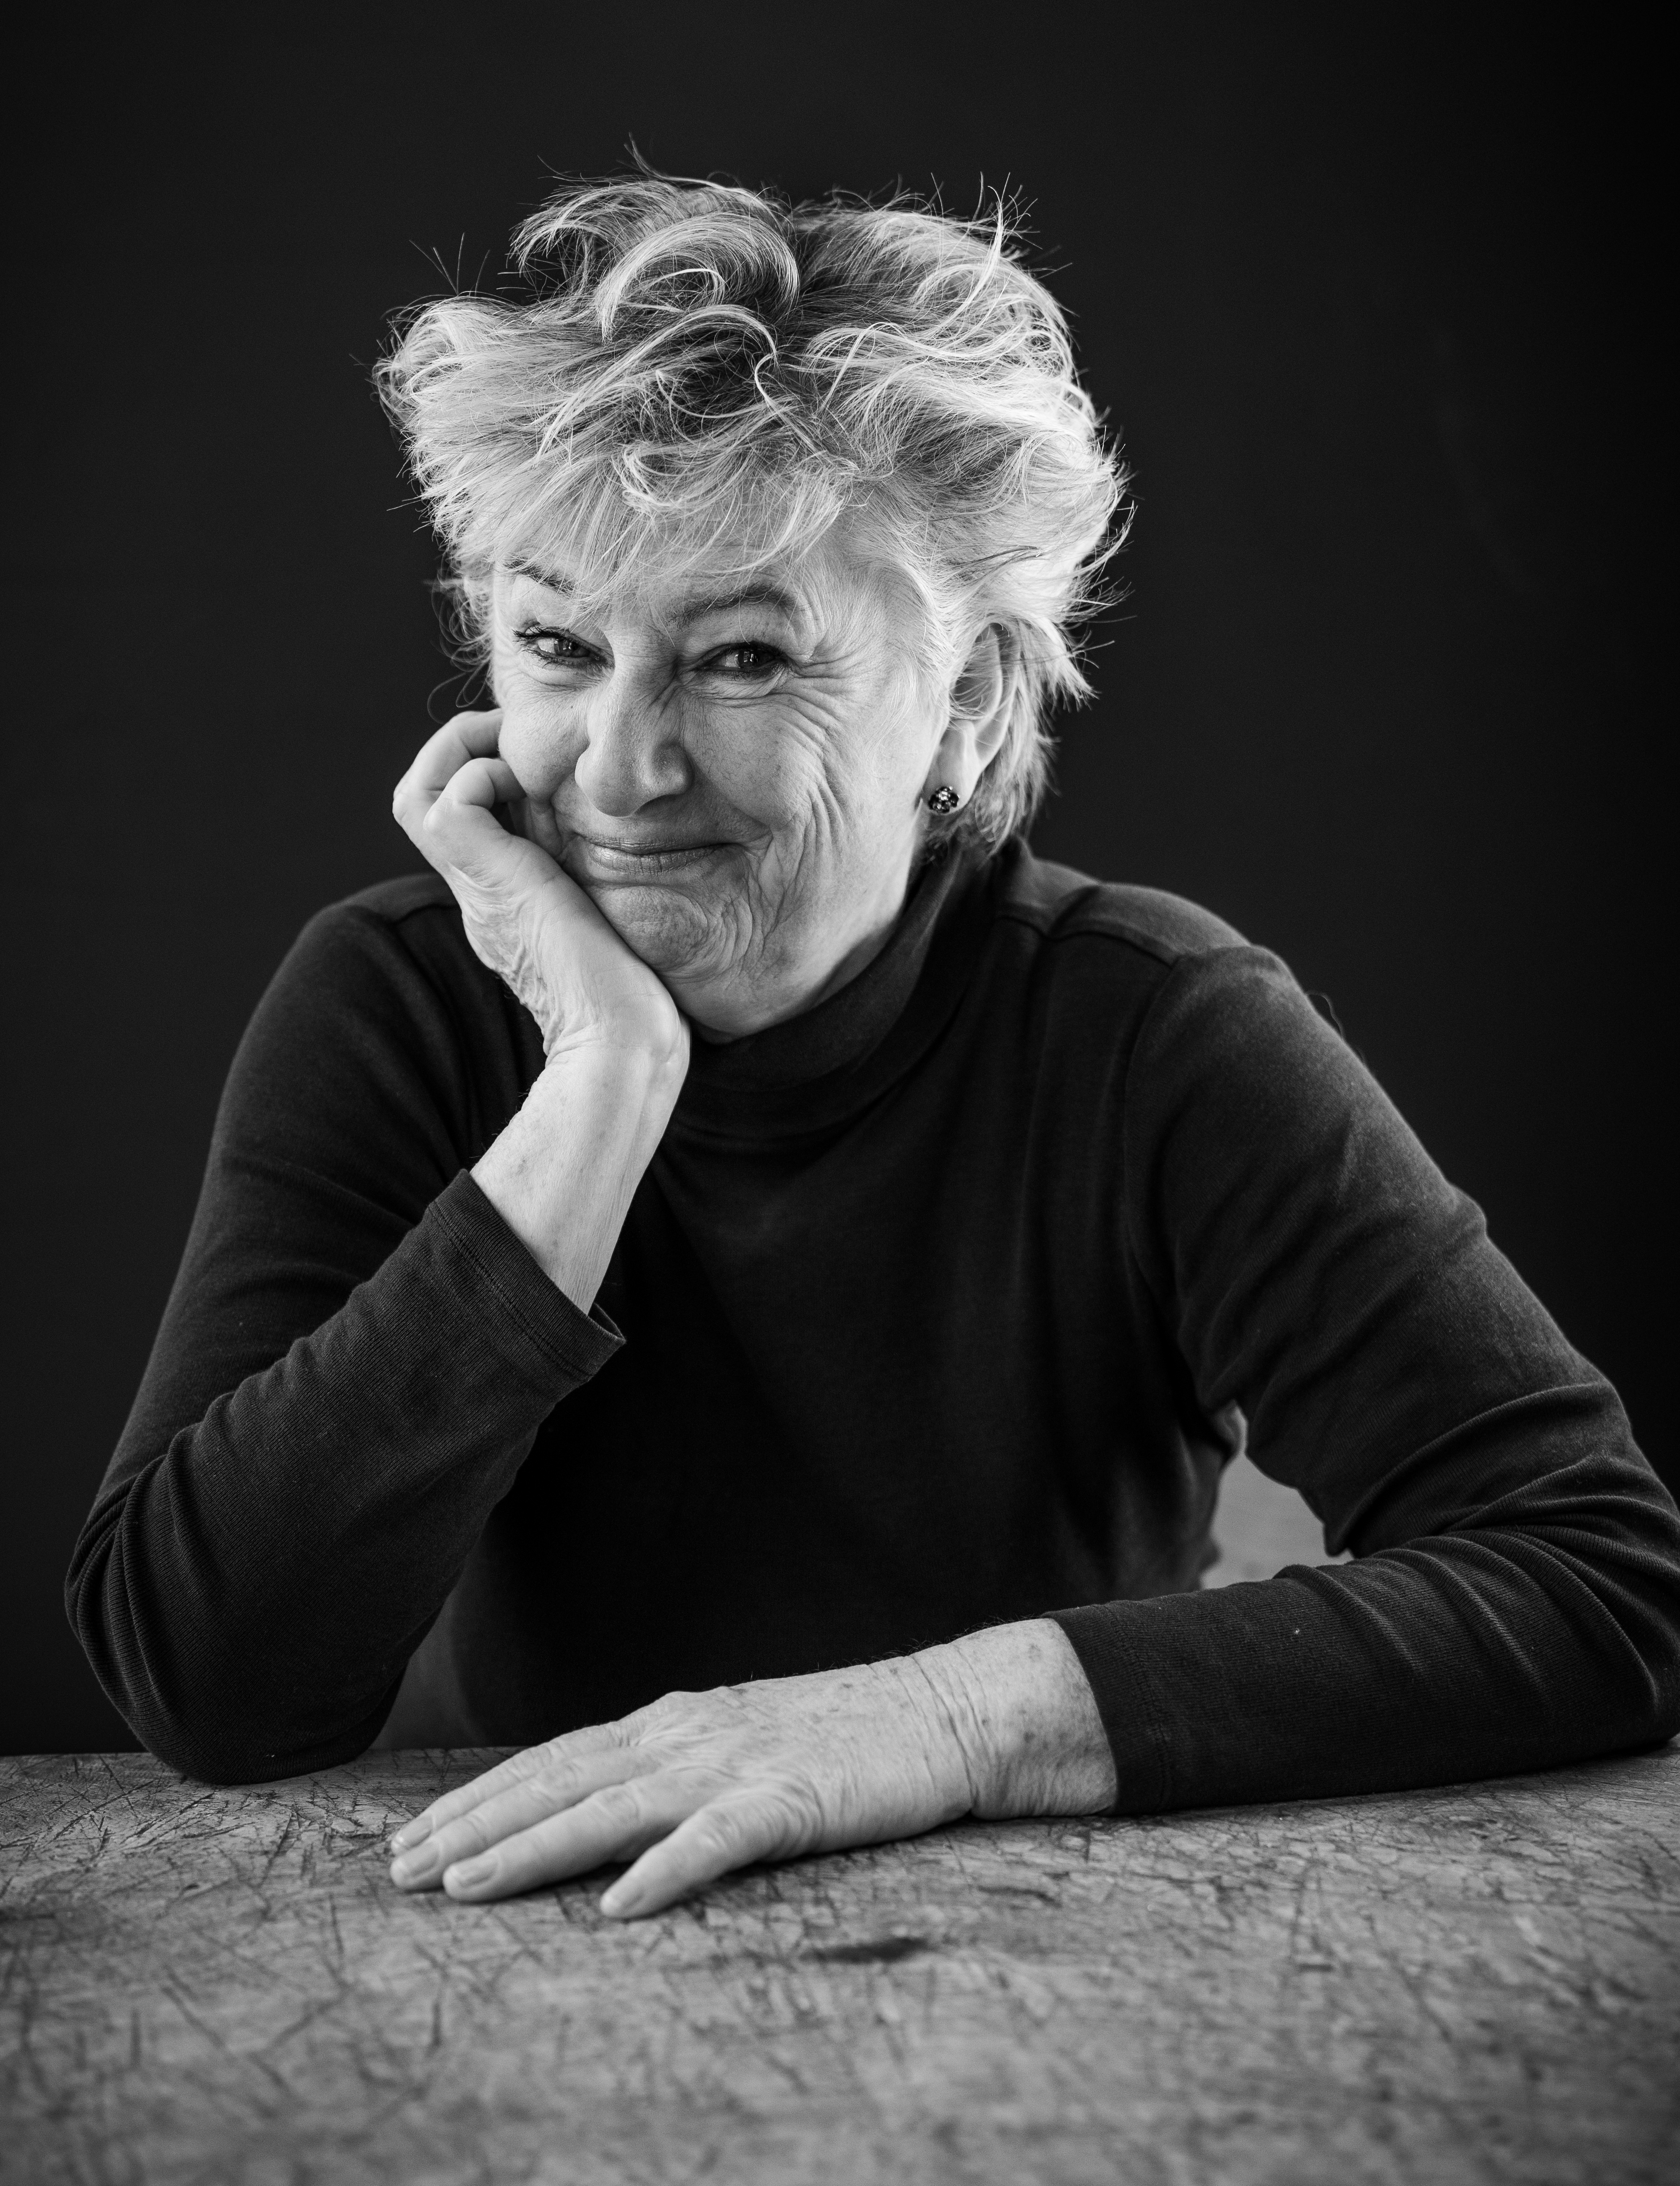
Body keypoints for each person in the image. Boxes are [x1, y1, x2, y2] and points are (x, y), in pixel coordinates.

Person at [68, 174, 1680, 1921]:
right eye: (555, 646)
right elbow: (211, 1685)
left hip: (1067, 1952)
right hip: (518, 1948)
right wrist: (603, 1084)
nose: (616, 770)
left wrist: (934, 1726)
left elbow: (1598, 1578)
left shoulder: (1153, 1030)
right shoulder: (397, 1000)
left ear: (972, 694)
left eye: (742, 659)